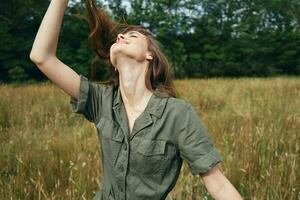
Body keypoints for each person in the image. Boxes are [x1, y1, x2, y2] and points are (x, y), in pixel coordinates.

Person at [29, 0, 243, 199]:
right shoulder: (100, 101)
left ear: (150, 55)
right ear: (114, 63)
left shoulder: (176, 114)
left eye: (132, 36)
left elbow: (217, 183)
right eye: (119, 38)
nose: (121, 37)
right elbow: (42, 56)